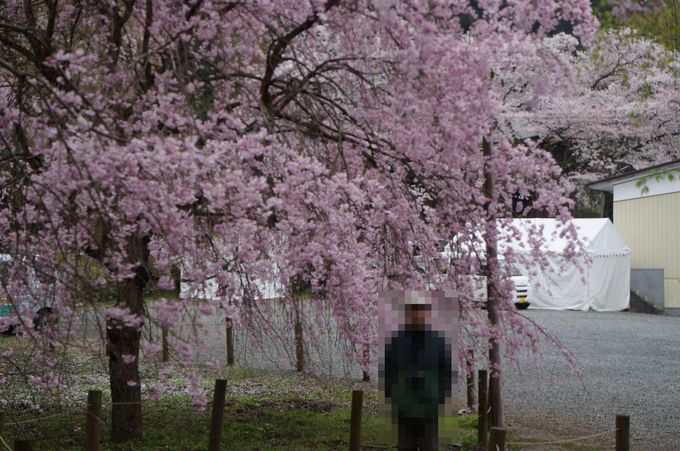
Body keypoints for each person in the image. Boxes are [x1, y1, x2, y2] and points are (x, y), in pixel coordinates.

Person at [381, 293, 453, 451]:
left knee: (430, 446)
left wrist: (439, 396)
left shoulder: (438, 342)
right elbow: (388, 372)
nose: (418, 315)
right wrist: (394, 396)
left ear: (428, 314)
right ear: (406, 314)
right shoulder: (396, 341)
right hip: (404, 408)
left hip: (429, 409)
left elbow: (446, 373)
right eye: (413, 310)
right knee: (405, 446)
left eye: (422, 310)